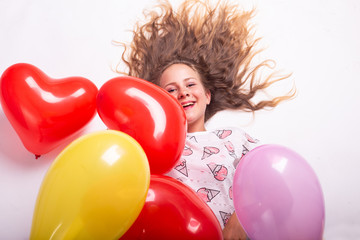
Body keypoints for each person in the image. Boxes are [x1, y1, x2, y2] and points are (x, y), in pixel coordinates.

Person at [116, 0, 295, 239]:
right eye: (171, 89)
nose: (183, 92)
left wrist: (240, 219)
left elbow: (274, 180)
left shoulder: (233, 137)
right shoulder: (151, 147)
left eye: (190, 84)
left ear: (207, 96)